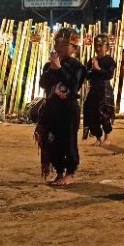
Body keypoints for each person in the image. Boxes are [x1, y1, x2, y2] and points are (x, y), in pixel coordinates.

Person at [35, 28, 86, 186]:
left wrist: (60, 69)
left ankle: (70, 173)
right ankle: (59, 172)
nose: (60, 47)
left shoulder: (78, 66)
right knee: (52, 141)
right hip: (52, 109)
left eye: (65, 45)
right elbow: (43, 83)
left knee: (68, 140)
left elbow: (73, 84)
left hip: (68, 110)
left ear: (74, 48)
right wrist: (52, 69)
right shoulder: (48, 65)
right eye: (58, 44)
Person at [83, 34, 117, 145]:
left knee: (105, 114)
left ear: (106, 47)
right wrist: (91, 70)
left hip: (105, 90)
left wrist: (98, 68)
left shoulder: (109, 61)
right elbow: (87, 76)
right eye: (97, 46)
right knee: (91, 113)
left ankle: (107, 137)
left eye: (101, 46)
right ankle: (98, 138)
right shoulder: (92, 60)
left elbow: (109, 75)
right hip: (94, 90)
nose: (98, 48)